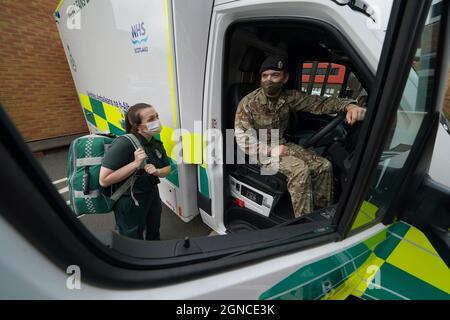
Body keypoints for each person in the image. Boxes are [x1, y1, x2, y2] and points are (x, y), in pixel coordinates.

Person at [235, 55, 366, 217]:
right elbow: (242, 137)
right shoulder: (248, 103)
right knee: (300, 170)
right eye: (265, 76)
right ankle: (303, 223)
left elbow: (319, 103)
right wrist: (269, 150)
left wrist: (349, 105)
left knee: (323, 166)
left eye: (275, 75)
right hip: (260, 151)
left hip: (282, 145)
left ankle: (322, 213)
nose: (269, 80)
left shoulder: (288, 97)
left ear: (285, 78)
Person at [99, 103, 171, 240]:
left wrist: (157, 171)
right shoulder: (124, 144)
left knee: (154, 230)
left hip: (152, 194)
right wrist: (135, 164)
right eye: (150, 120)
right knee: (132, 237)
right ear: (138, 126)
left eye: (157, 117)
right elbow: (104, 180)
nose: (157, 122)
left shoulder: (156, 144)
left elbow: (167, 169)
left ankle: (156, 255)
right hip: (130, 199)